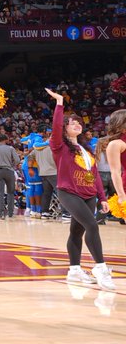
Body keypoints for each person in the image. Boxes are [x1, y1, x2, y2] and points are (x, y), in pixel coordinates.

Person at [46, 89, 114, 291]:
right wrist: (59, 103)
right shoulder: (59, 146)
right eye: (72, 123)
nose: (77, 124)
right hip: (69, 192)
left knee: (76, 232)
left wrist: (102, 197)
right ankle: (100, 268)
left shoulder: (86, 150)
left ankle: (74, 269)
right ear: (64, 128)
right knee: (92, 226)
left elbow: (94, 176)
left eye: (79, 123)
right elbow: (56, 126)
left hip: (90, 194)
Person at [0, 134, 21, 220]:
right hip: (9, 171)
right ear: (5, 140)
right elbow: (17, 160)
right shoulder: (10, 148)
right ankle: (10, 213)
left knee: (0, 193)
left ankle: (1, 213)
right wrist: (11, 165)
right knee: (10, 192)